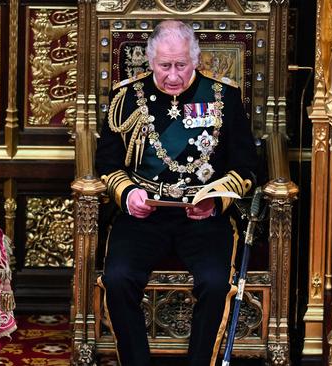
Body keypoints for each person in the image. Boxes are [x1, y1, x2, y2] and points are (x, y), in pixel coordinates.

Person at [95, 20, 258, 366]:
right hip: (144, 215)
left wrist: (216, 200)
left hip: (203, 217)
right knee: (118, 277)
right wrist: (127, 195)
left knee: (215, 283)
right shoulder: (125, 98)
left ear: (196, 59)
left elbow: (246, 168)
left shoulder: (223, 96)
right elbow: (107, 164)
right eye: (164, 65)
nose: (173, 76)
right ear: (150, 61)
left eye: (181, 65)